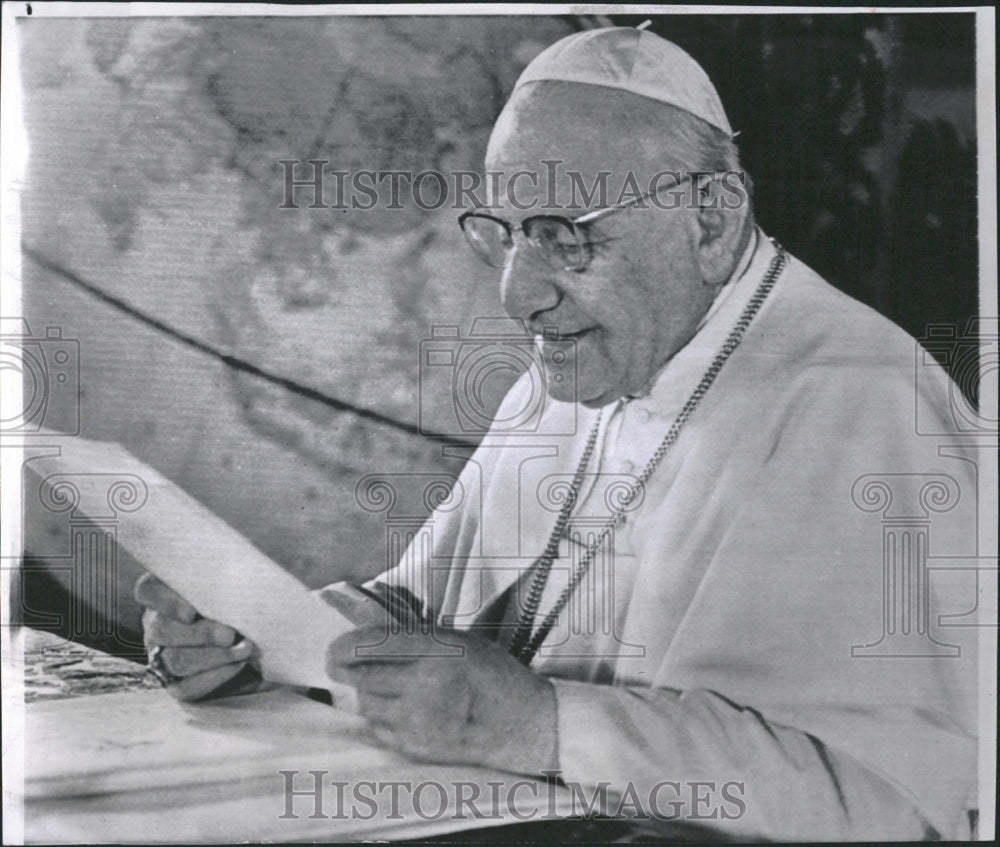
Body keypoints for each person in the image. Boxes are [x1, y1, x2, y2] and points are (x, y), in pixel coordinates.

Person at [136, 26, 979, 840]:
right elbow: (420, 610)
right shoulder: (570, 374)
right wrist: (256, 636)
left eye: (566, 237)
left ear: (712, 221)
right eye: (503, 233)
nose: (515, 293)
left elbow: (897, 805)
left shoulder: (868, 406)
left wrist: (545, 727)